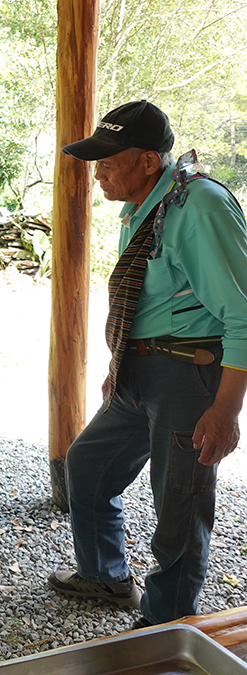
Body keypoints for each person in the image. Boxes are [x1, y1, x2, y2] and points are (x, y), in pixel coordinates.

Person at [48, 100, 247, 628]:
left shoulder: (198, 206)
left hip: (189, 375)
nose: (98, 171)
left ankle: (167, 625)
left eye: (109, 159)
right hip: (140, 372)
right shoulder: (142, 208)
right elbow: (150, 300)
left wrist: (226, 410)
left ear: (147, 162)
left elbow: (243, 314)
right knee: (87, 466)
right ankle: (107, 577)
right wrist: (120, 365)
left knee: (179, 506)